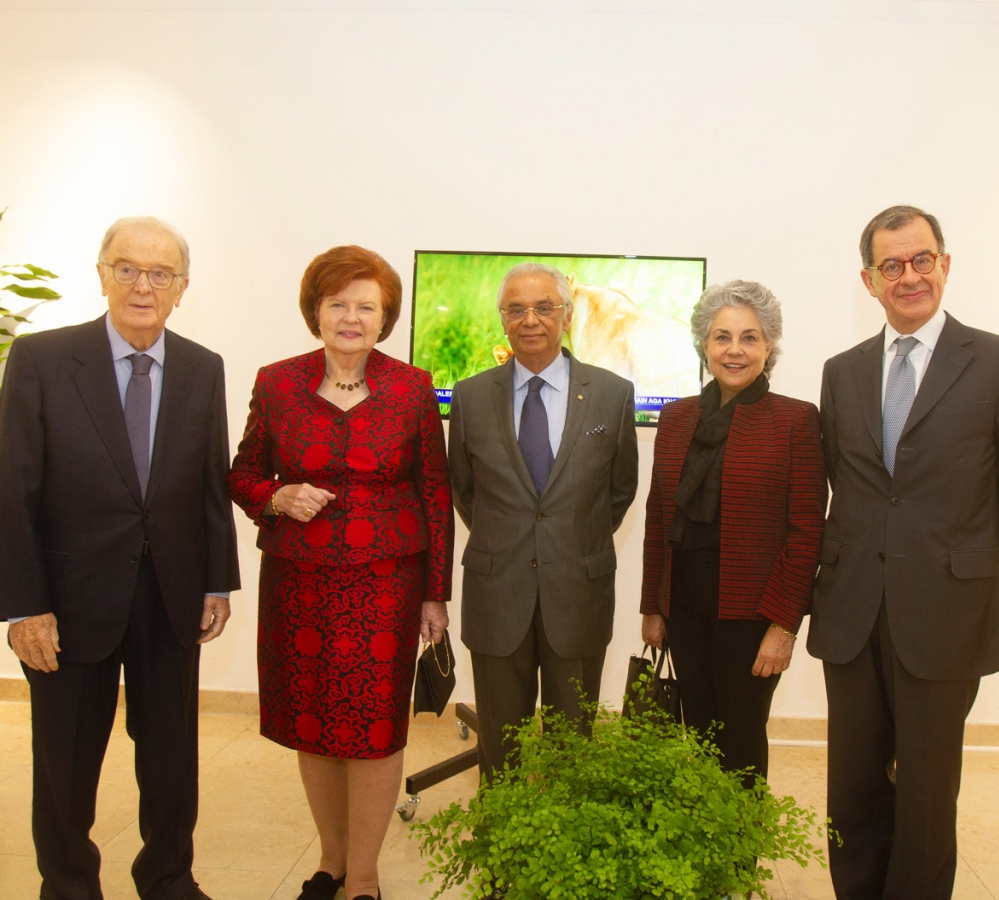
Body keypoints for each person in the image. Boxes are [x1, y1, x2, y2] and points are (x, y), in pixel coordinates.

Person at [808, 205, 999, 899]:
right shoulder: (841, 371)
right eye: (892, 265)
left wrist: (957, 561)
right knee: (850, 785)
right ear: (868, 279)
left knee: (927, 787)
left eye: (921, 260)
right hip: (852, 610)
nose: (908, 276)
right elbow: (844, 486)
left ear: (945, 264)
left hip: (946, 610)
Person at [0, 217, 240, 900]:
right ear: (101, 274)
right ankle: (69, 884)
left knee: (171, 757)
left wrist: (216, 583)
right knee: (65, 761)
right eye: (128, 268)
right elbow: (12, 487)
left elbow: (207, 481)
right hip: (68, 600)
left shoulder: (202, 366)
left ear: (182, 288)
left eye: (160, 273)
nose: (143, 285)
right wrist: (23, 604)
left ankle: (167, 877)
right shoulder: (43, 359)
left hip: (170, 594)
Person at [227, 245, 453, 900]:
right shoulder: (276, 382)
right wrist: (275, 496)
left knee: (375, 728)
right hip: (299, 582)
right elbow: (242, 472)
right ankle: (329, 863)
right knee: (313, 722)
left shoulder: (412, 387)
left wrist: (435, 592)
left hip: (386, 584)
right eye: (338, 304)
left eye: (366, 306)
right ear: (315, 311)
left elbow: (434, 493)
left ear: (384, 318)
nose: (350, 318)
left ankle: (363, 877)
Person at [448, 261, 639, 778]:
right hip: (497, 595)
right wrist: (512, 535)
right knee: (500, 747)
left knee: (571, 748)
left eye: (543, 307)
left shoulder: (612, 394)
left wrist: (570, 538)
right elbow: (465, 491)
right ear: (502, 319)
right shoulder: (469, 397)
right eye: (516, 309)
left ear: (568, 315)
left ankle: (567, 853)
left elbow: (620, 491)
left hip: (578, 591)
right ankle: (500, 851)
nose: (530, 319)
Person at [638, 280, 826, 784]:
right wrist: (653, 607)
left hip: (753, 616)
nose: (734, 350)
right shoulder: (677, 417)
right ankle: (700, 856)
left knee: (740, 740)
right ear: (704, 344)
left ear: (769, 347)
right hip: (685, 607)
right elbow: (659, 517)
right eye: (722, 337)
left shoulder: (796, 421)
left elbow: (807, 533)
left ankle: (738, 861)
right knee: (696, 735)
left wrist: (784, 626)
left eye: (750, 337)